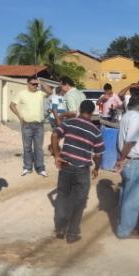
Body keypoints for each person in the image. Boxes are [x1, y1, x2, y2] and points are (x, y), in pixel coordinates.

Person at [51, 100, 104, 243]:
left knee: (62, 195)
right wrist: (96, 168)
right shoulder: (96, 131)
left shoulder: (69, 122)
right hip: (82, 170)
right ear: (92, 113)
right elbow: (98, 155)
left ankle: (61, 228)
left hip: (66, 166)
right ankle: (72, 234)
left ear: (80, 109)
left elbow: (55, 135)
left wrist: (57, 155)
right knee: (80, 202)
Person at [114, 93, 139, 238]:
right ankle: (125, 230)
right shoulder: (137, 117)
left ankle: (123, 225)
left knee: (126, 194)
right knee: (132, 198)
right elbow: (130, 141)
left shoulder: (127, 115)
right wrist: (122, 159)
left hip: (127, 158)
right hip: (132, 160)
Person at [10, 76, 53, 177]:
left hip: (39, 125)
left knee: (38, 148)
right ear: (28, 84)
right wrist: (20, 117)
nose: (35, 86)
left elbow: (50, 92)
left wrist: (41, 82)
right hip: (27, 125)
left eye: (36, 84)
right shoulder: (21, 94)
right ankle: (27, 167)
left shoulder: (40, 93)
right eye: (33, 84)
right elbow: (12, 105)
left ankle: (40, 168)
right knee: (27, 147)